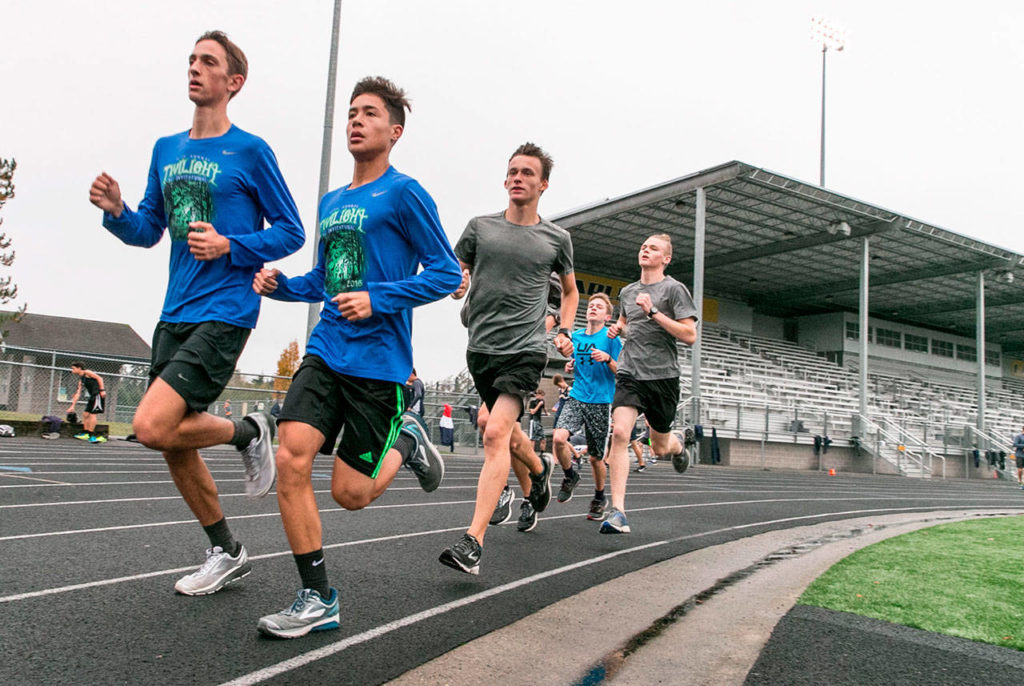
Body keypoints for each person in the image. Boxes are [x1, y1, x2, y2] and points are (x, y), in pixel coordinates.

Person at [89, 31, 305, 594]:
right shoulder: (166, 149)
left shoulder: (251, 151)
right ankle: (226, 550)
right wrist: (117, 212)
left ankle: (247, 431)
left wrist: (232, 245)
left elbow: (291, 230)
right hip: (175, 309)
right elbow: (148, 229)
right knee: (171, 440)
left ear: (233, 82)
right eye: (191, 60)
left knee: (150, 424)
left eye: (207, 62)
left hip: (226, 308)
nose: (194, 68)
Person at [251, 76, 462, 638]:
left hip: (379, 365)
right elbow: (325, 279)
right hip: (326, 349)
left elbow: (445, 272)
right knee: (292, 459)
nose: (355, 120)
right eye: (351, 112)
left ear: (393, 131)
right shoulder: (332, 202)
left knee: (351, 494)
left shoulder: (405, 193)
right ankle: (317, 597)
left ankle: (409, 441)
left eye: (368, 113)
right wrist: (282, 286)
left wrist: (380, 297)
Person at [439, 142, 578, 575]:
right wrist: (457, 284)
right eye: (513, 171)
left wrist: (564, 331)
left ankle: (472, 542)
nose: (518, 177)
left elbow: (570, 292)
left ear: (543, 184)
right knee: (500, 429)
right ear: (505, 180)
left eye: (527, 173)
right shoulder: (479, 227)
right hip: (481, 348)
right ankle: (538, 470)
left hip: (525, 350)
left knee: (495, 432)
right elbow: (455, 269)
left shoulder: (556, 239)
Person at [602, 234, 698, 534]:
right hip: (630, 372)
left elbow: (689, 335)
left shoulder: (674, 289)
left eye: (653, 248)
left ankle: (678, 445)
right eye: (643, 245)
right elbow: (625, 321)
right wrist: (618, 328)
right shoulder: (628, 291)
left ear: (665, 258)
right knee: (619, 433)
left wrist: (653, 312)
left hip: (663, 376)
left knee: (659, 446)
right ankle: (618, 511)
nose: (645, 249)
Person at [551, 293, 621, 506]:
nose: (593, 308)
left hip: (600, 401)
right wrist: (570, 365)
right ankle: (570, 475)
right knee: (558, 438)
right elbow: (573, 360)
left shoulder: (611, 339)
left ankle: (599, 496)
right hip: (577, 396)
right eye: (591, 305)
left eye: (599, 307)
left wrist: (608, 358)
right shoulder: (577, 336)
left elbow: (622, 371)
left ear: (607, 317)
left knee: (596, 458)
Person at [67, 362, 107, 443]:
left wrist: (102, 390)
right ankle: (86, 433)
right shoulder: (81, 379)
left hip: (98, 395)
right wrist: (72, 406)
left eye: (73, 368)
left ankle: (91, 435)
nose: (72, 370)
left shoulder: (87, 372)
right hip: (92, 396)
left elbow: (100, 378)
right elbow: (78, 393)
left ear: (79, 368)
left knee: (92, 414)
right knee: (85, 414)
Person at [528, 389, 547, 453]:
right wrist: (539, 405)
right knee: (532, 439)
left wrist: (546, 413)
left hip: (538, 422)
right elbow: (532, 412)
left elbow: (544, 408)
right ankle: (531, 454)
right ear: (538, 395)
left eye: (543, 396)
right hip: (533, 421)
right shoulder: (532, 402)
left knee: (543, 439)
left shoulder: (542, 401)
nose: (542, 397)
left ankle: (542, 454)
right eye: (541, 396)